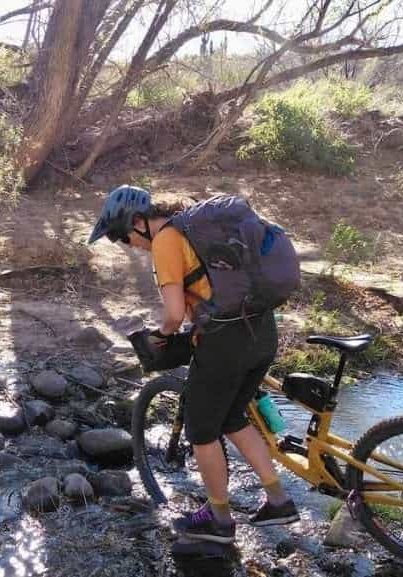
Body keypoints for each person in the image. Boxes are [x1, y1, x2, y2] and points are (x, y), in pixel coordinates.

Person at [88, 185, 299, 544]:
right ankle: (278, 500)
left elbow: (173, 315)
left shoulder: (167, 240)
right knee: (233, 418)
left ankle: (219, 520)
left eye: (125, 238)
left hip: (224, 344)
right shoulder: (194, 225)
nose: (131, 247)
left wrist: (160, 336)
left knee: (201, 432)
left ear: (138, 222)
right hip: (262, 330)